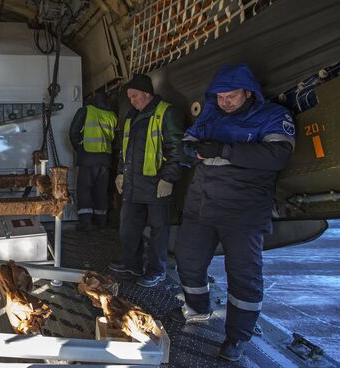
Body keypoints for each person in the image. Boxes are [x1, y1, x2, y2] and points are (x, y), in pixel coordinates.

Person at [170, 64, 295, 362]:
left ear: (248, 92)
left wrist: (223, 150)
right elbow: (184, 146)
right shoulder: (210, 114)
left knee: (244, 277)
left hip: (244, 212)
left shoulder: (273, 116)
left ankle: (238, 337)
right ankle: (198, 308)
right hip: (201, 206)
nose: (224, 102)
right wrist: (190, 152)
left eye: (230, 96)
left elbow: (278, 155)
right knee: (187, 261)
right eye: (220, 96)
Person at [108, 74, 183, 287]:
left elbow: (176, 147)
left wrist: (168, 178)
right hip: (133, 184)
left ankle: (156, 270)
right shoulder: (131, 117)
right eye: (129, 97)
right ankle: (131, 263)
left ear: (147, 94)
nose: (131, 101)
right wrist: (121, 172)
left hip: (157, 183)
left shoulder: (166, 113)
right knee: (129, 226)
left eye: (134, 96)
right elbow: (125, 150)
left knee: (158, 230)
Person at [69, 90, 117, 231]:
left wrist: (80, 149)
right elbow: (114, 138)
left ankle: (85, 221)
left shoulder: (86, 110)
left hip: (88, 157)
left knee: (84, 189)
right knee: (101, 190)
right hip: (105, 158)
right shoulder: (112, 115)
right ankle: (101, 220)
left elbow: (73, 132)